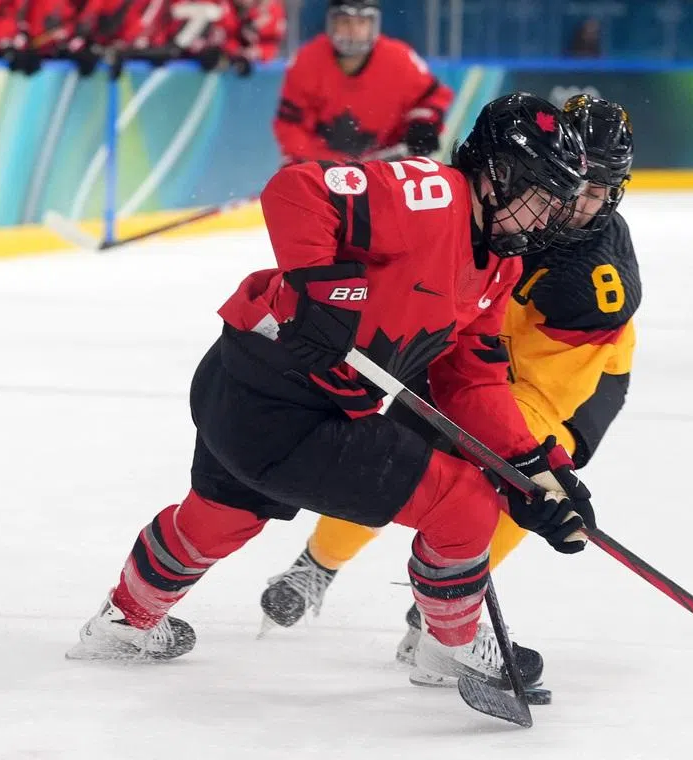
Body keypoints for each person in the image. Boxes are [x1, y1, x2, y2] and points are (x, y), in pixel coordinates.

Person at [67, 93, 597, 690]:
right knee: (465, 504)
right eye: (543, 198)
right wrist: (323, 287)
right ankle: (448, 647)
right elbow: (297, 189)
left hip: (243, 385)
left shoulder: (499, 266)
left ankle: (124, 621)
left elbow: (469, 379)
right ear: (498, 174)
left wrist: (531, 464)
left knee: (220, 517)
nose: (549, 218)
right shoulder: (431, 196)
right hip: (283, 404)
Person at [258, 94, 639, 689]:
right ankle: (318, 564)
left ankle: (441, 622)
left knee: (521, 477)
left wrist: (521, 450)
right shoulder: (515, 201)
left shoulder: (592, 278)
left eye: (597, 192)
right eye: (574, 184)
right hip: (473, 342)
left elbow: (535, 396)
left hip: (566, 378)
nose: (578, 205)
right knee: (400, 448)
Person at [273, 0, 453, 165]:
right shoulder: (306, 61)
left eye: (362, 22)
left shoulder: (400, 60)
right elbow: (291, 126)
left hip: (384, 169)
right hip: (321, 172)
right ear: (331, 23)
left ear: (374, 25)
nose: (353, 30)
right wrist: (301, 162)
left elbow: (433, 98)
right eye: (345, 21)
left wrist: (423, 125)